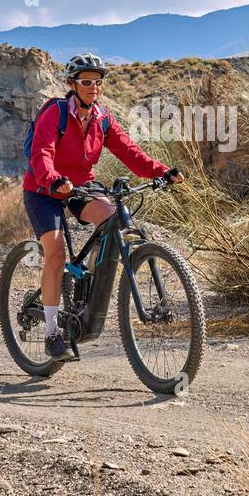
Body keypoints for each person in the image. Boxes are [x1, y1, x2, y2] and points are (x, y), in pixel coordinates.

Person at [22, 53, 183, 361]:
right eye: (86, 82)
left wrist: (161, 171)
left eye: (98, 82)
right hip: (44, 189)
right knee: (55, 253)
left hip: (81, 185)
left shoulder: (102, 117)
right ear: (71, 84)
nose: (93, 87)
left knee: (112, 220)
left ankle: (85, 289)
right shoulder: (55, 113)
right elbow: (41, 153)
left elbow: (130, 151)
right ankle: (52, 332)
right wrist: (52, 178)